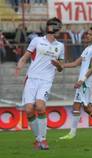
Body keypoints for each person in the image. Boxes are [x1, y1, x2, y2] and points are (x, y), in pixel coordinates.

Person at [15, 17, 64, 150]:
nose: (59, 29)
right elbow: (25, 57)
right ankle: (38, 139)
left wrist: (58, 64)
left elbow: (61, 68)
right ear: (50, 28)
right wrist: (20, 65)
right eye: (57, 26)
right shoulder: (37, 41)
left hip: (46, 81)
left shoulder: (60, 46)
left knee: (40, 107)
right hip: (31, 79)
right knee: (29, 110)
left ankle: (43, 140)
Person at [58, 27, 92, 140]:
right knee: (80, 106)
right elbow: (75, 63)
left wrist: (81, 80)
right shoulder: (88, 48)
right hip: (83, 81)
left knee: (85, 106)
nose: (87, 36)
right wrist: (61, 65)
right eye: (87, 34)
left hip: (86, 82)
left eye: (90, 34)